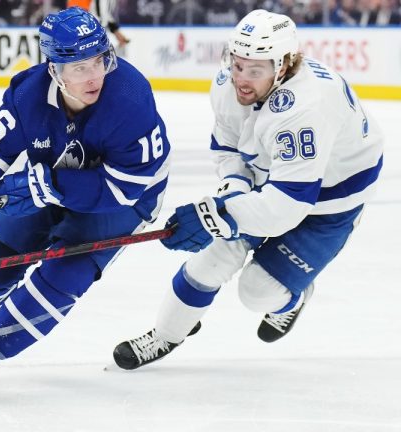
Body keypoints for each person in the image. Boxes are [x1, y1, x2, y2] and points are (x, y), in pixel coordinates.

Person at [0, 7, 172, 396]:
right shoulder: (27, 95)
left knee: (64, 275)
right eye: (79, 67)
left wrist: (50, 182)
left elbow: (125, 188)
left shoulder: (129, 96)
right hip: (51, 178)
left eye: (100, 60)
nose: (95, 75)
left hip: (123, 200)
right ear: (53, 68)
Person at [112, 9, 384, 370]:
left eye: (255, 70)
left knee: (258, 291)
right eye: (238, 64)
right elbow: (227, 148)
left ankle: (293, 297)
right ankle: (166, 334)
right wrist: (232, 192)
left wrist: (216, 215)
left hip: (332, 199)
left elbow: (288, 205)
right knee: (211, 261)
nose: (241, 79)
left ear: (284, 66)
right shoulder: (229, 83)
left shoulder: (306, 108)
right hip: (278, 178)